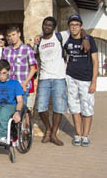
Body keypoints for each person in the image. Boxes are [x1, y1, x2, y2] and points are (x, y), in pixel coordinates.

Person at [35, 17, 70, 146]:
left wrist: (85, 39)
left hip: (59, 77)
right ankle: (48, 129)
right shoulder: (39, 42)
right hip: (44, 77)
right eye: (45, 24)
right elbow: (35, 56)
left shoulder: (60, 36)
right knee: (41, 107)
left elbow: (78, 30)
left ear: (54, 27)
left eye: (50, 25)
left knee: (59, 107)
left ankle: (54, 134)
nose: (46, 27)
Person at [64, 14, 98, 147]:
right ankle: (78, 134)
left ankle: (86, 135)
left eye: (76, 25)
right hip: (71, 77)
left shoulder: (89, 40)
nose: (74, 27)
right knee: (74, 107)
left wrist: (94, 81)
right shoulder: (67, 40)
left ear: (81, 26)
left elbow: (95, 61)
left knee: (87, 107)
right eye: (72, 25)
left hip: (86, 79)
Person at [2, 26, 37, 105]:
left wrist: (25, 83)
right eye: (9, 36)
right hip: (9, 86)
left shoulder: (27, 49)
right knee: (9, 112)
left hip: (21, 85)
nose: (12, 37)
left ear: (19, 34)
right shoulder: (6, 50)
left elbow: (33, 69)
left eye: (13, 35)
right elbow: (3, 68)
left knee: (21, 112)